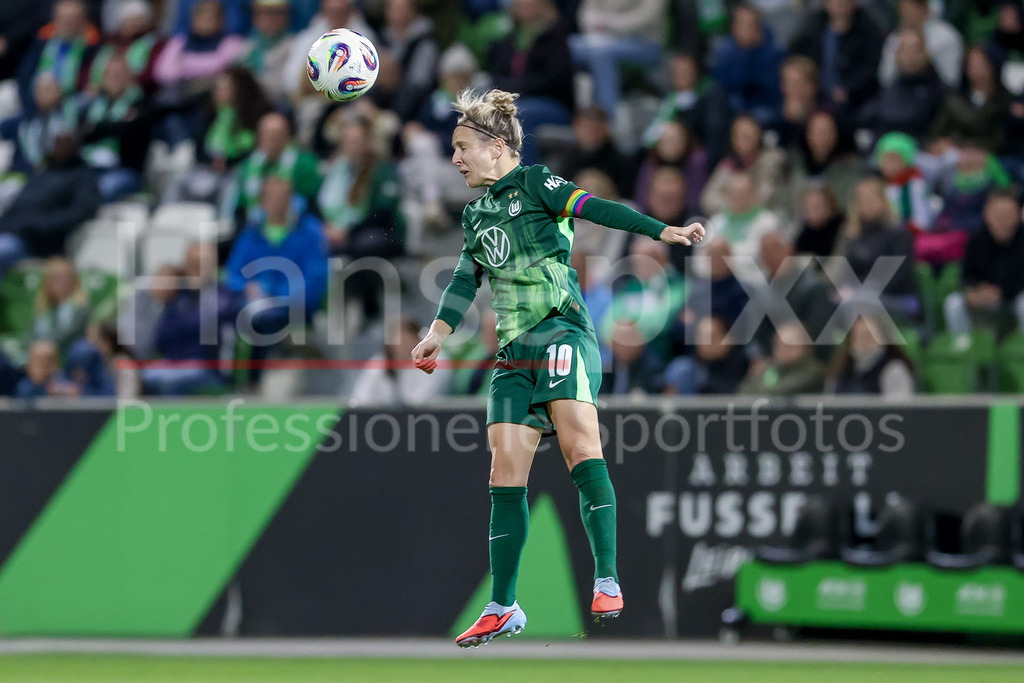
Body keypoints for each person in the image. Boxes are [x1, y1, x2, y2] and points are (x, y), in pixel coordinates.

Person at [410, 88, 704, 646]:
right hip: (514, 354)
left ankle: (608, 577)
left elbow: (594, 207)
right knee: (503, 471)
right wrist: (435, 335)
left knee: (579, 448)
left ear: (496, 148)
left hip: (561, 332)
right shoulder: (476, 215)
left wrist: (659, 230)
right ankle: (503, 604)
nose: (455, 159)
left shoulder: (536, 182)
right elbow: (464, 281)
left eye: (462, 147)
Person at [943, 189, 1024, 338]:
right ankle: (964, 350)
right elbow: (967, 275)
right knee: (953, 303)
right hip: (984, 297)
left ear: (1018, 215)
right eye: (998, 214)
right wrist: (973, 292)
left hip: (1014, 297)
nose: (1002, 220)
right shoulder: (976, 239)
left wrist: (1001, 292)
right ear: (987, 214)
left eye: (1007, 214)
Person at [348, 317, 453, 405]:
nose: (400, 346)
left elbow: (422, 400)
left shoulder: (435, 360)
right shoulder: (382, 361)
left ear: (417, 338)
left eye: (405, 340)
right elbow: (361, 396)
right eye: (396, 341)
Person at [710, 4, 784, 126]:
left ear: (759, 28)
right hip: (733, 109)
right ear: (734, 27)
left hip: (763, 107)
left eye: (751, 25)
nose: (746, 30)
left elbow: (770, 87)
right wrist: (744, 53)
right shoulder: (724, 53)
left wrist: (751, 52)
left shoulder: (774, 53)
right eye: (742, 24)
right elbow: (725, 85)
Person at [825, 314, 915, 398]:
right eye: (858, 336)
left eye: (868, 336)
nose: (864, 343)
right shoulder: (840, 371)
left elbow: (900, 409)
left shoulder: (893, 370)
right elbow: (829, 403)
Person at [879, 0, 963, 89]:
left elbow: (951, 80)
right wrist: (898, 64)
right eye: (904, 8)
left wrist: (925, 64)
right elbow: (885, 80)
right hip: (900, 96)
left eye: (911, 8)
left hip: (937, 96)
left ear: (925, 8)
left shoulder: (946, 37)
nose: (907, 13)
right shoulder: (893, 39)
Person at [27, 256, 92, 357]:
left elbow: (67, 335)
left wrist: (44, 346)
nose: (63, 283)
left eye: (67, 278)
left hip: (65, 355)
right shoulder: (43, 310)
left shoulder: (80, 308)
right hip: (38, 355)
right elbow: (30, 335)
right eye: (56, 278)